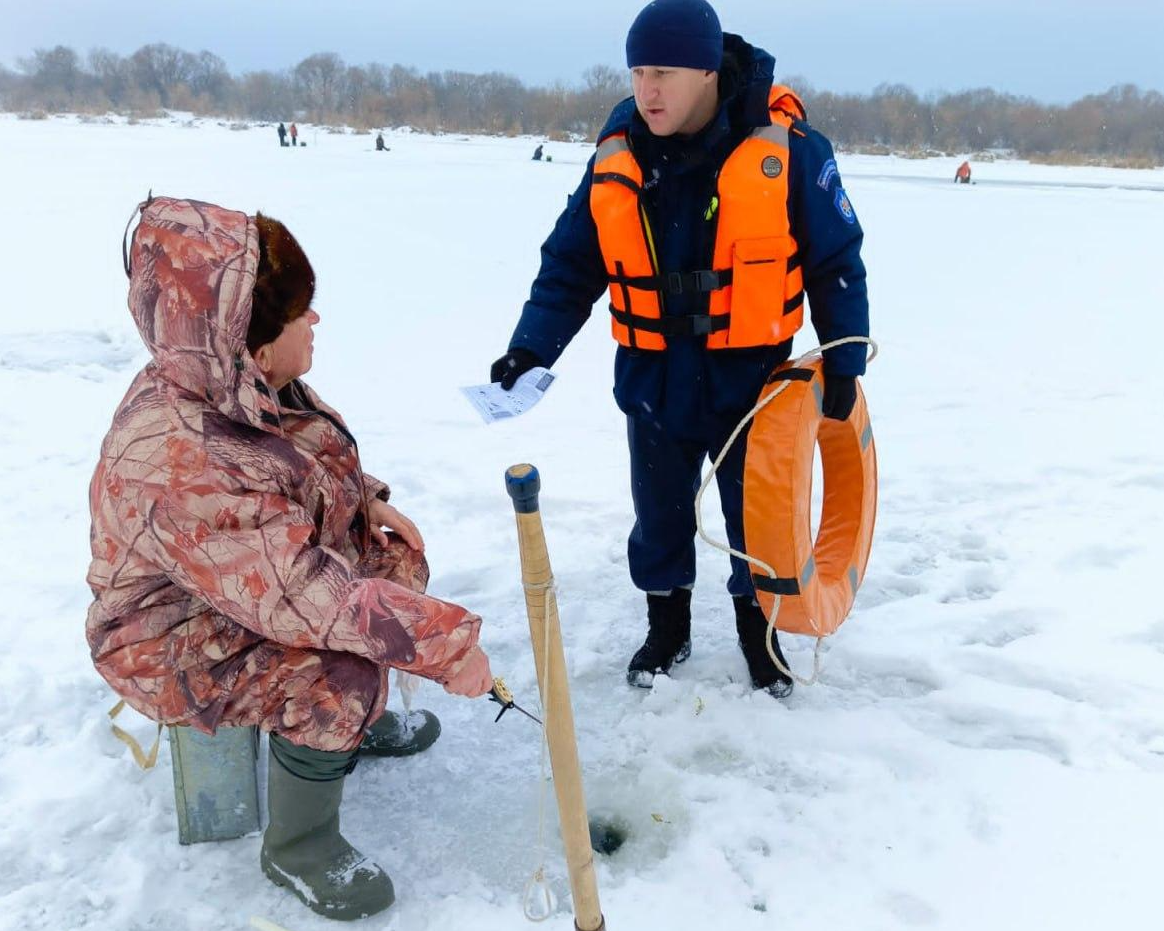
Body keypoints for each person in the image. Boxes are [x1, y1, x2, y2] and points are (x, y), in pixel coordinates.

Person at [87, 196, 493, 920]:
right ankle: (299, 844)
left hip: (245, 585)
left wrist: (364, 499)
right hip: (170, 635)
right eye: (300, 313)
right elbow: (314, 597)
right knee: (343, 674)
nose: (315, 323)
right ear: (255, 345)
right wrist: (447, 646)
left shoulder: (234, 379)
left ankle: (343, 738)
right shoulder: (186, 457)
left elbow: (290, 459)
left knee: (387, 562)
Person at [489, 0, 869, 700]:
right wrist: (529, 348)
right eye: (637, 72)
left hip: (753, 381)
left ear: (704, 72)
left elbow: (836, 261)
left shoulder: (788, 151)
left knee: (755, 519)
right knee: (658, 512)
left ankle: (760, 635)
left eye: (662, 71)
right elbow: (571, 264)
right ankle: (668, 624)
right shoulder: (619, 156)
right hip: (655, 380)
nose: (647, 90)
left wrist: (844, 358)